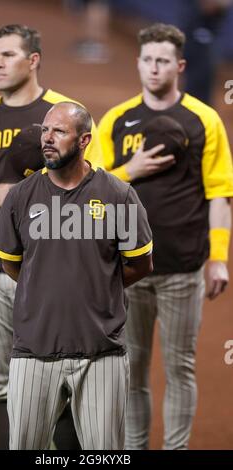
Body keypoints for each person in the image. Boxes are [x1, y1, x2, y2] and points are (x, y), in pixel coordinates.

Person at [0, 24, 103, 450]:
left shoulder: (66, 115)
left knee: (62, 387)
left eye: (8, 55)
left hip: (49, 272)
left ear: (33, 61)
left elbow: (97, 189)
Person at [98, 23, 233, 450]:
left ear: (180, 65)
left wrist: (219, 257)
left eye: (162, 61)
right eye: (147, 60)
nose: (154, 69)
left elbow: (219, 195)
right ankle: (135, 448)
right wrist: (129, 171)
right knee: (132, 369)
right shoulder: (116, 120)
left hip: (183, 268)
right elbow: (91, 193)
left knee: (181, 367)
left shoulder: (204, 119)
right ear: (138, 62)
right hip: (128, 271)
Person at [0, 101, 153, 450]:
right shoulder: (20, 197)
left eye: (59, 132)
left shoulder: (119, 196)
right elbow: (11, 262)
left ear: (84, 141)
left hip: (101, 353)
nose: (47, 139)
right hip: (33, 350)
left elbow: (141, 264)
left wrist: (96, 285)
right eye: (45, 130)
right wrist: (47, 283)